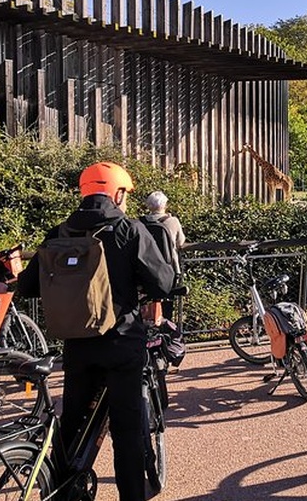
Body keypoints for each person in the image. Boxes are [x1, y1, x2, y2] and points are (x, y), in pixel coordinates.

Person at [18, 162, 175, 501]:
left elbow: (29, 286)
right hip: (122, 344)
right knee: (128, 429)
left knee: (72, 422)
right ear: (117, 193)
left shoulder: (59, 232)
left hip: (76, 343)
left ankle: (59, 490)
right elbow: (162, 282)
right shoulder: (130, 230)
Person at [141, 190, 187, 318]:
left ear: (149, 205)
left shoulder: (141, 222)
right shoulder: (173, 221)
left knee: (145, 301)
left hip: (146, 267)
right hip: (169, 268)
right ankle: (165, 329)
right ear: (165, 205)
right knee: (167, 302)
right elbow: (181, 241)